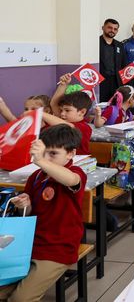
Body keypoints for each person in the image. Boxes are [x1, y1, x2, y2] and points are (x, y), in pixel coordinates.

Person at [0, 125, 87, 301]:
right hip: (30, 243)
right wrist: (25, 204)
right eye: (44, 153)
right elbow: (29, 213)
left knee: (21, 299)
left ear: (70, 153)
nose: (47, 158)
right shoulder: (36, 177)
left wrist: (40, 160)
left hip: (58, 248)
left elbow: (71, 180)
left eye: (53, 154)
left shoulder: (75, 172)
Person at [43, 75, 93, 155]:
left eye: (67, 110)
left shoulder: (84, 127)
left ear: (82, 112)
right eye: (61, 110)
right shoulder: (63, 119)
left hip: (79, 161)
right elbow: (54, 103)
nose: (62, 113)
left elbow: (67, 126)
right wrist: (63, 84)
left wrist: (41, 113)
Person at [99, 18, 127, 102]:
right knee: (102, 104)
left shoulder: (120, 45)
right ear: (103, 28)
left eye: (115, 29)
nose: (112, 30)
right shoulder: (96, 43)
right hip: (101, 81)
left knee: (115, 104)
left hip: (116, 81)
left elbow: (123, 64)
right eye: (109, 27)